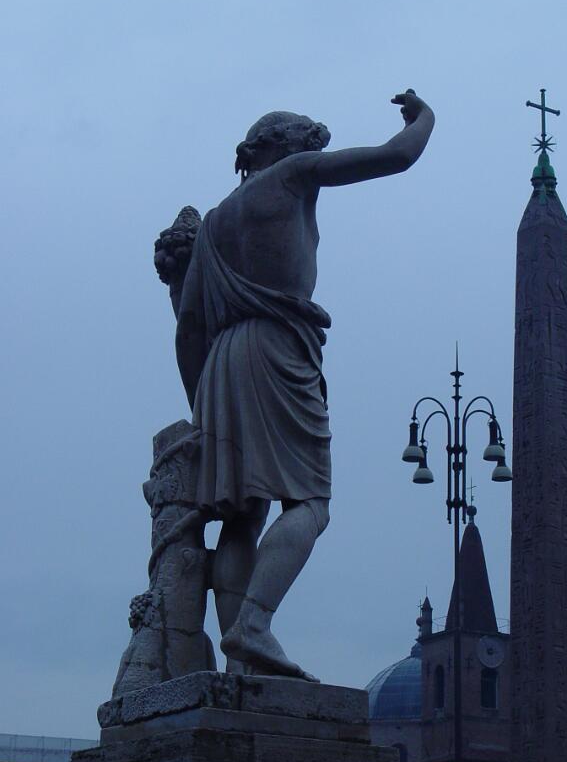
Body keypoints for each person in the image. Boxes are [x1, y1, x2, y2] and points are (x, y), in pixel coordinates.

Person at [167, 89, 434, 680]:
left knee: (242, 514)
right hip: (277, 347)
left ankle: (243, 664)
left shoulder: (212, 226)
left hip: (220, 362)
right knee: (310, 502)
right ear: (284, 147)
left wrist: (201, 407)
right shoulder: (292, 176)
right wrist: (425, 117)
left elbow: (187, 328)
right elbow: (396, 155)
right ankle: (255, 623)